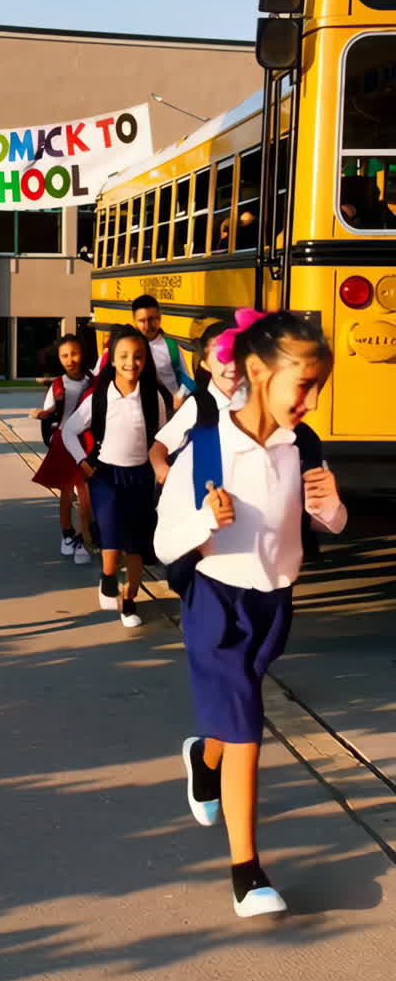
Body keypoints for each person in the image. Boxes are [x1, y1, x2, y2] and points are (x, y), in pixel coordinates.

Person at [153, 310, 347, 917]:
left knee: (232, 720)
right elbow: (163, 545)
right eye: (303, 386)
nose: (311, 401)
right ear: (259, 372)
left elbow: (327, 524)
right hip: (215, 602)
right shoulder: (208, 447)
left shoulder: (301, 448)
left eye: (318, 387)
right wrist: (205, 520)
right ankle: (248, 873)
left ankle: (201, 757)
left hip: (273, 602)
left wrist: (334, 508)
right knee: (247, 730)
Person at [62, 325, 166, 629]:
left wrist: (161, 467)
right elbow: (69, 430)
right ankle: (107, 576)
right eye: (123, 356)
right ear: (111, 359)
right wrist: (82, 462)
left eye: (138, 356)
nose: (130, 362)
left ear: (145, 359)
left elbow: (161, 437)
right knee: (110, 535)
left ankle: (130, 601)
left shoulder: (151, 397)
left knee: (134, 545)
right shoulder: (99, 397)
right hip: (106, 477)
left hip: (141, 478)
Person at [150, 318, 239, 485]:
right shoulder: (199, 405)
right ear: (205, 364)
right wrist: (164, 470)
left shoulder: (256, 399)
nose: (232, 365)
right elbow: (159, 447)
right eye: (222, 357)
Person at [30, 334, 93, 564]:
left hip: (87, 442)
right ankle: (67, 534)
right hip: (64, 442)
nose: (70, 359)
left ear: (83, 353)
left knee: (85, 494)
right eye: (65, 355)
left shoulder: (93, 381)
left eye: (74, 354)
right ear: (59, 358)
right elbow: (49, 411)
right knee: (67, 491)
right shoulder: (57, 385)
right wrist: (42, 414)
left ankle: (84, 537)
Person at [131, 294, 195, 405]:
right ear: (134, 321)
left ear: (159, 317)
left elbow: (187, 379)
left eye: (152, 319)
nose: (148, 326)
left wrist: (179, 396)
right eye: (142, 320)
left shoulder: (171, 345)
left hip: (171, 408)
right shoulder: (128, 346)